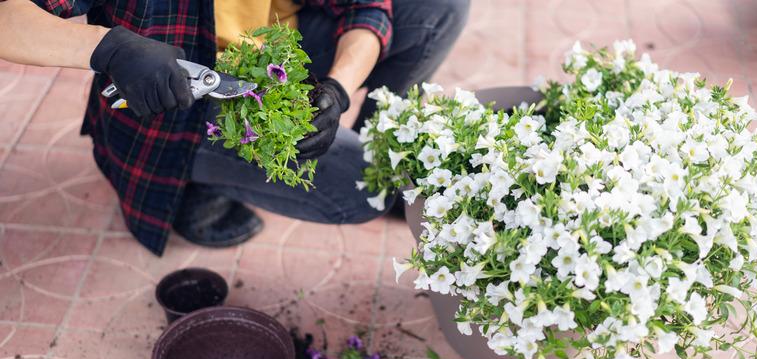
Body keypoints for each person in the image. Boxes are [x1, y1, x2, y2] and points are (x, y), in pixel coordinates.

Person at [0, 0, 470, 255]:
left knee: (438, 7)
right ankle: (187, 189)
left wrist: (338, 90)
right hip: (174, 105)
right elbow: (9, 17)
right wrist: (110, 49)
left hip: (274, 60)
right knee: (364, 189)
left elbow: (365, 7)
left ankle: (380, 145)